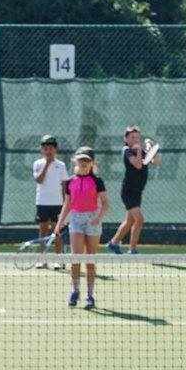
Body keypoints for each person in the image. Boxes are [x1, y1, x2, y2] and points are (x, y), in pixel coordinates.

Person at [53, 147, 109, 309]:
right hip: (76, 219)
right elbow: (68, 204)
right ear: (75, 161)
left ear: (92, 163)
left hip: (93, 219)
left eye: (87, 160)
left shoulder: (97, 181)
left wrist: (98, 218)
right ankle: (75, 291)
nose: (83, 163)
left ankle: (90, 296)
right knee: (75, 258)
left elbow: (106, 203)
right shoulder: (70, 182)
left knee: (90, 261)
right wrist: (59, 224)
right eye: (81, 160)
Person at [107, 125, 159, 255]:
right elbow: (137, 164)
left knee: (130, 221)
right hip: (128, 191)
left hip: (138, 191)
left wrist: (153, 148)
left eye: (137, 137)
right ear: (126, 139)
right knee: (139, 219)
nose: (135, 139)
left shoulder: (141, 150)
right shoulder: (126, 150)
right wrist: (140, 151)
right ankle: (133, 249)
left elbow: (156, 162)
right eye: (132, 137)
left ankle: (113, 243)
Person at [32, 134, 69, 269]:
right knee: (43, 230)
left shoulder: (61, 165)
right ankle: (42, 259)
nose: (48, 151)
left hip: (58, 204)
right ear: (42, 150)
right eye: (45, 148)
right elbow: (39, 180)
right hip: (42, 202)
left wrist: (66, 204)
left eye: (51, 148)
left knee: (57, 230)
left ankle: (58, 259)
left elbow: (64, 186)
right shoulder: (37, 164)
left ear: (56, 149)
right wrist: (47, 164)